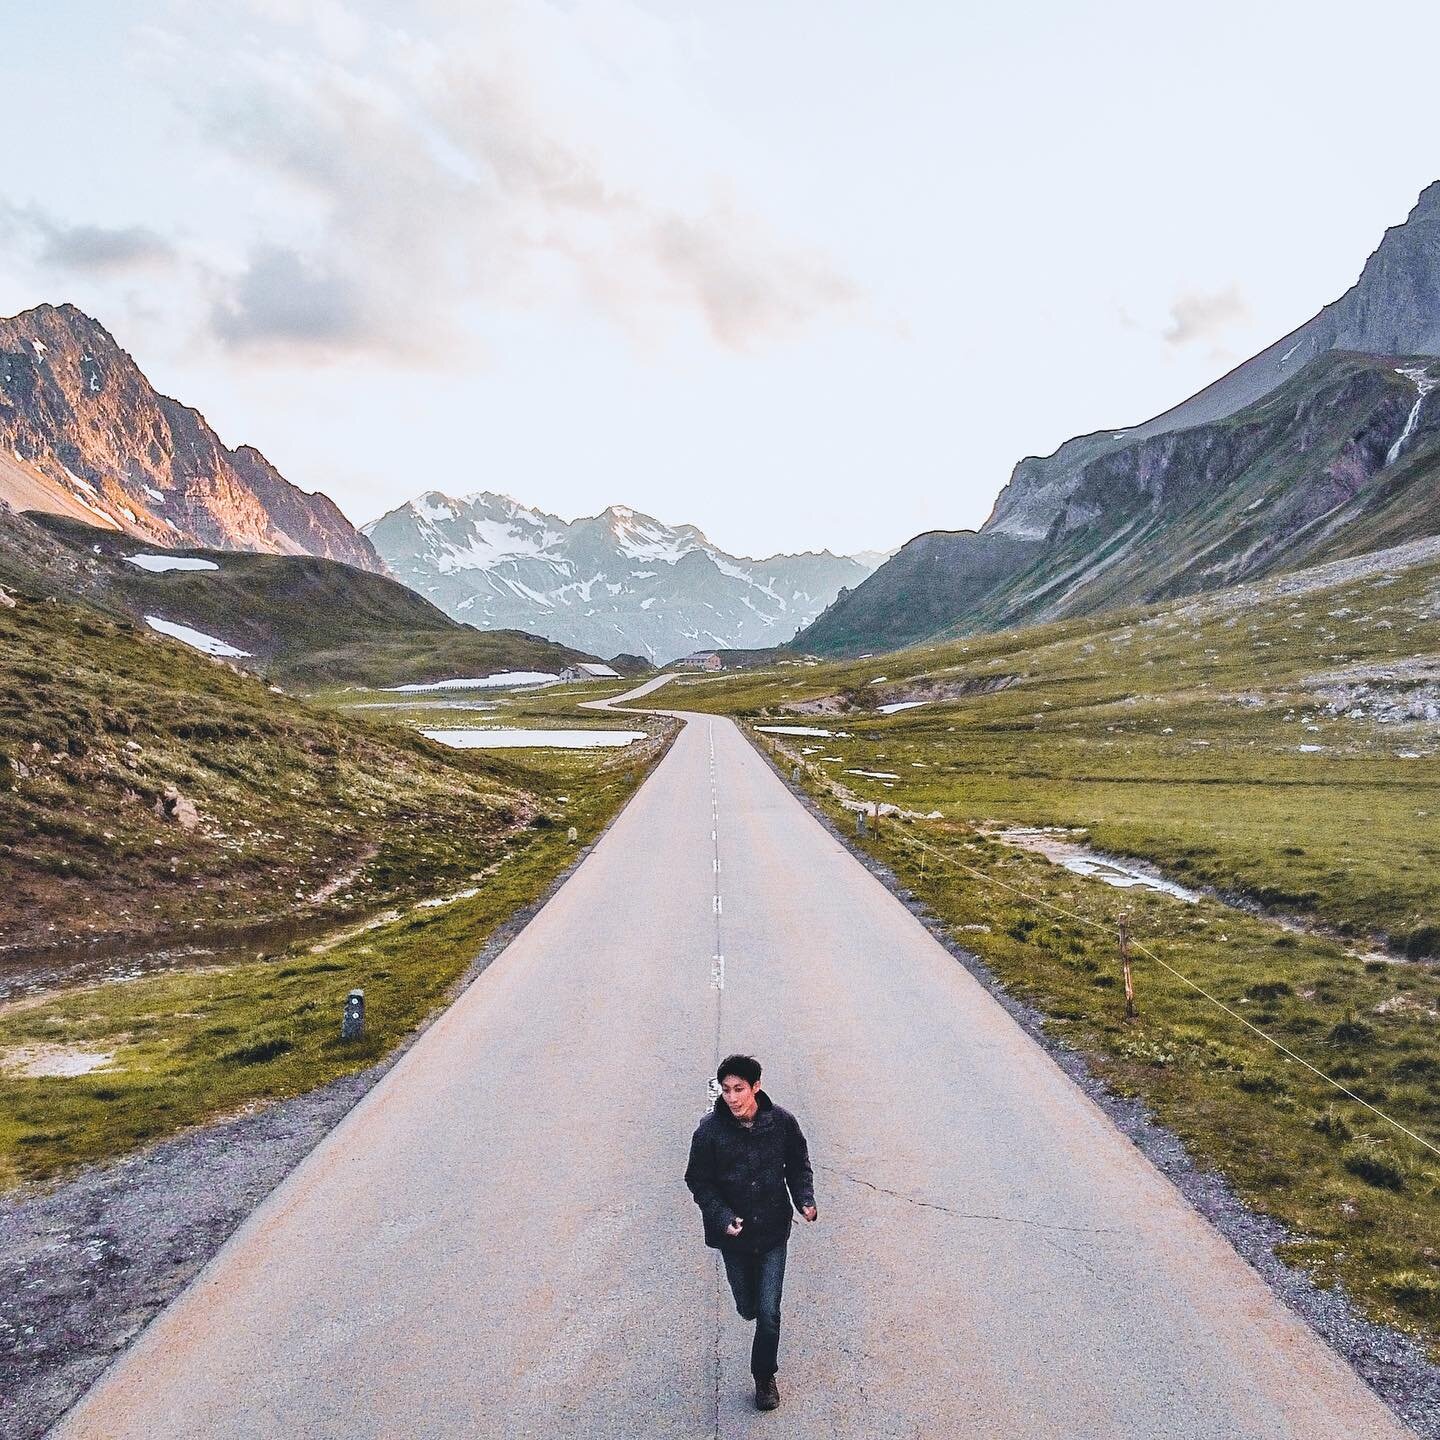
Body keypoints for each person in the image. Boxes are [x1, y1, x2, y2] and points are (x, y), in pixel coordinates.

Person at [684, 1053, 818, 1412]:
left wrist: (805, 1199)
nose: (732, 1098)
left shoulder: (782, 1123)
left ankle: (764, 1379)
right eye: (726, 1090)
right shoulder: (710, 1132)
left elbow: (798, 1164)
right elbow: (698, 1180)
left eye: (739, 1089)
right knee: (748, 1307)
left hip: (773, 1231)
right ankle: (752, 1308)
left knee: (769, 1312)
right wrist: (721, 1215)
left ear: (756, 1087)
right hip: (735, 1236)